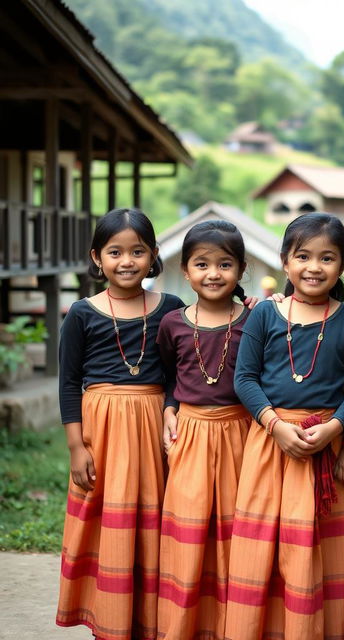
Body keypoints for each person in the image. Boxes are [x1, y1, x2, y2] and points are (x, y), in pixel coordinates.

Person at [225, 212, 344, 640]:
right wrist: (274, 425)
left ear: (343, 265)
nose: (314, 267)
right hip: (271, 445)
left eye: (327, 258)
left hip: (324, 445)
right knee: (265, 548)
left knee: (319, 550)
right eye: (303, 256)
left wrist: (338, 430)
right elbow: (245, 379)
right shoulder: (265, 316)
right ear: (285, 262)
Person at [56, 208, 184, 639]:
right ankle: (108, 618)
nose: (126, 261)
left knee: (153, 517)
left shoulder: (171, 309)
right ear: (97, 258)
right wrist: (77, 447)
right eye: (115, 252)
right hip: (102, 430)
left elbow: (180, 372)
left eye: (137, 251)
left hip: (153, 428)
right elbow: (69, 382)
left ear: (153, 255)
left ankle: (151, 618)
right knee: (105, 520)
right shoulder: (81, 313)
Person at [155, 220, 253, 640]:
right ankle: (183, 626)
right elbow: (166, 375)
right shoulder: (173, 322)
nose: (213, 273)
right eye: (202, 264)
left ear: (242, 270)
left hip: (242, 433)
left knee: (236, 530)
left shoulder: (257, 319)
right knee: (188, 530)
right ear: (185, 268)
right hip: (191, 433)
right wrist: (170, 409)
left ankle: (234, 626)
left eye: (225, 264)